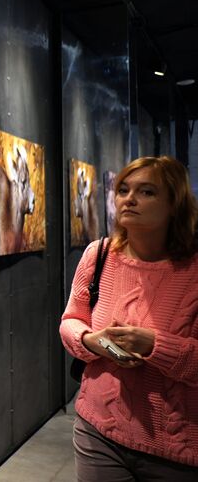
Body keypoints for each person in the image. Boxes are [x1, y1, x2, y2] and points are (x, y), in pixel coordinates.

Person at [60, 156, 198, 481]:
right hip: (98, 429)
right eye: (123, 190)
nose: (129, 199)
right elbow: (70, 321)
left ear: (174, 204)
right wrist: (92, 341)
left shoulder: (192, 270)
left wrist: (155, 345)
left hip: (178, 448)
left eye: (147, 192)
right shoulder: (100, 254)